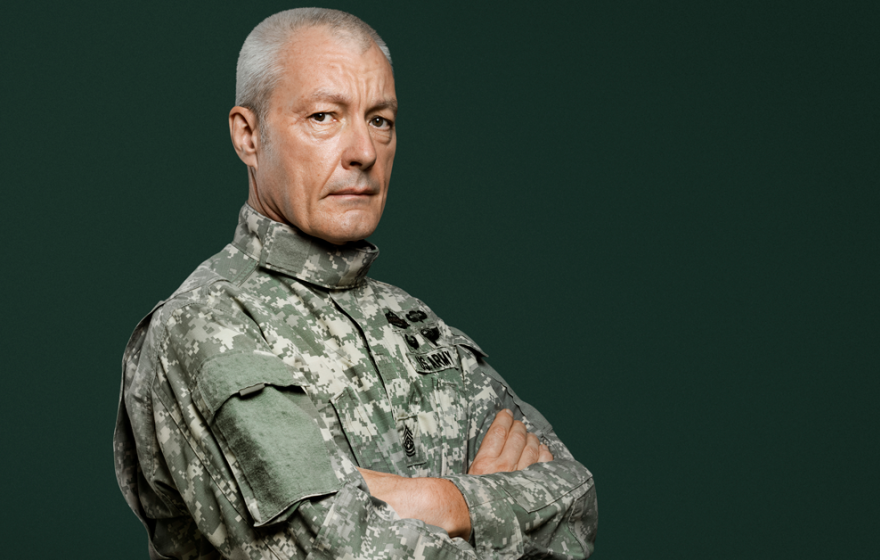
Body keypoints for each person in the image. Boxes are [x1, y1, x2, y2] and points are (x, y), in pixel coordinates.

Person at [114, 8, 597, 559]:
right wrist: (494, 507)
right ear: (248, 136)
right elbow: (346, 551)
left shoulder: (415, 322)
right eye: (324, 116)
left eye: (380, 120)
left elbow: (578, 501)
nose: (363, 152)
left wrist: (445, 502)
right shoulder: (206, 327)